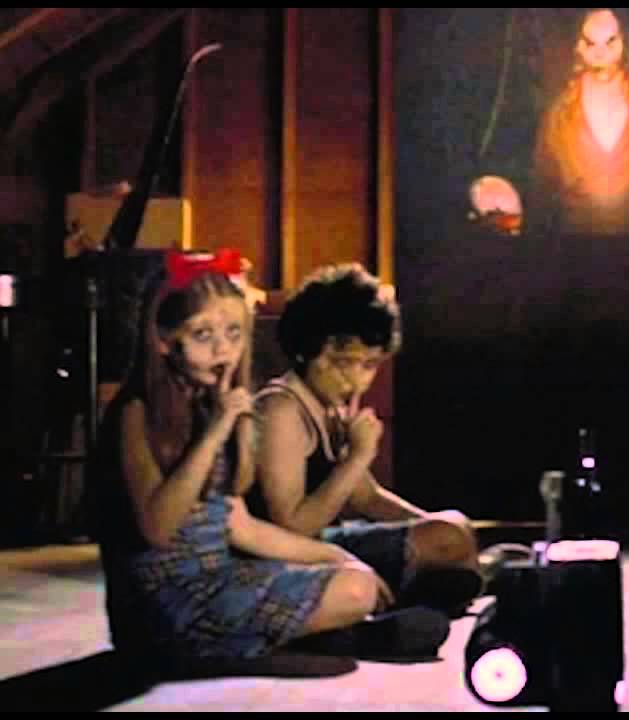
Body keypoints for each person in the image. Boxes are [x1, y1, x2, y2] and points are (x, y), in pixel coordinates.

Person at [91, 249, 445, 666]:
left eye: (234, 333)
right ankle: (296, 640)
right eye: (203, 335)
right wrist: (218, 429)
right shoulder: (137, 411)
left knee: (355, 581)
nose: (223, 350)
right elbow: (157, 528)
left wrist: (340, 558)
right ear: (163, 339)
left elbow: (239, 525)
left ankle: (318, 634)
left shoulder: (210, 404)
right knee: (353, 591)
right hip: (163, 604)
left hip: (221, 575)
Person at [250, 263, 482, 619]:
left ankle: (422, 602)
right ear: (306, 350)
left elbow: (366, 497)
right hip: (289, 559)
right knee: (446, 543)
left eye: (369, 365)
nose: (356, 380)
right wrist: (358, 456)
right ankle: (404, 609)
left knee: (455, 528)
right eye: (343, 363)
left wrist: (444, 530)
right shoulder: (283, 408)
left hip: (328, 542)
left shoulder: (331, 406)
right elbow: (291, 526)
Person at [526, 7, 629, 238]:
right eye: (590, 43)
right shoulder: (558, 115)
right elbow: (543, 192)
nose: (600, 53)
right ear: (578, 46)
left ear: (626, 42)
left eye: (610, 42)